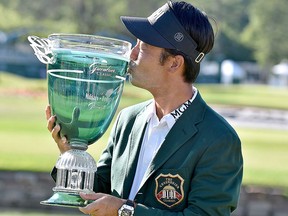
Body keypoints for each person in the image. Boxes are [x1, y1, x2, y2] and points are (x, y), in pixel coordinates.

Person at [46, 1, 243, 215]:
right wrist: (70, 153)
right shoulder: (128, 120)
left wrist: (125, 211)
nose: (132, 54)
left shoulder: (219, 139)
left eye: (143, 47)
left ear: (174, 63)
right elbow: (98, 192)